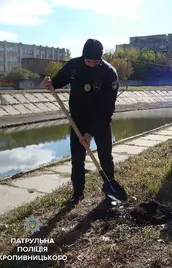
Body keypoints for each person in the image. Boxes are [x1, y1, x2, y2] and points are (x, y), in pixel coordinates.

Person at [44, 38, 121, 205]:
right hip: (78, 119)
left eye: (95, 61)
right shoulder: (74, 66)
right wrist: (50, 83)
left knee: (105, 155)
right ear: (83, 57)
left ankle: (109, 189)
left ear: (101, 59)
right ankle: (77, 193)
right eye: (88, 61)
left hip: (101, 119)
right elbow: (57, 81)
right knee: (77, 158)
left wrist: (90, 132)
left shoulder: (109, 74)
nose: (92, 64)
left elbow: (107, 108)